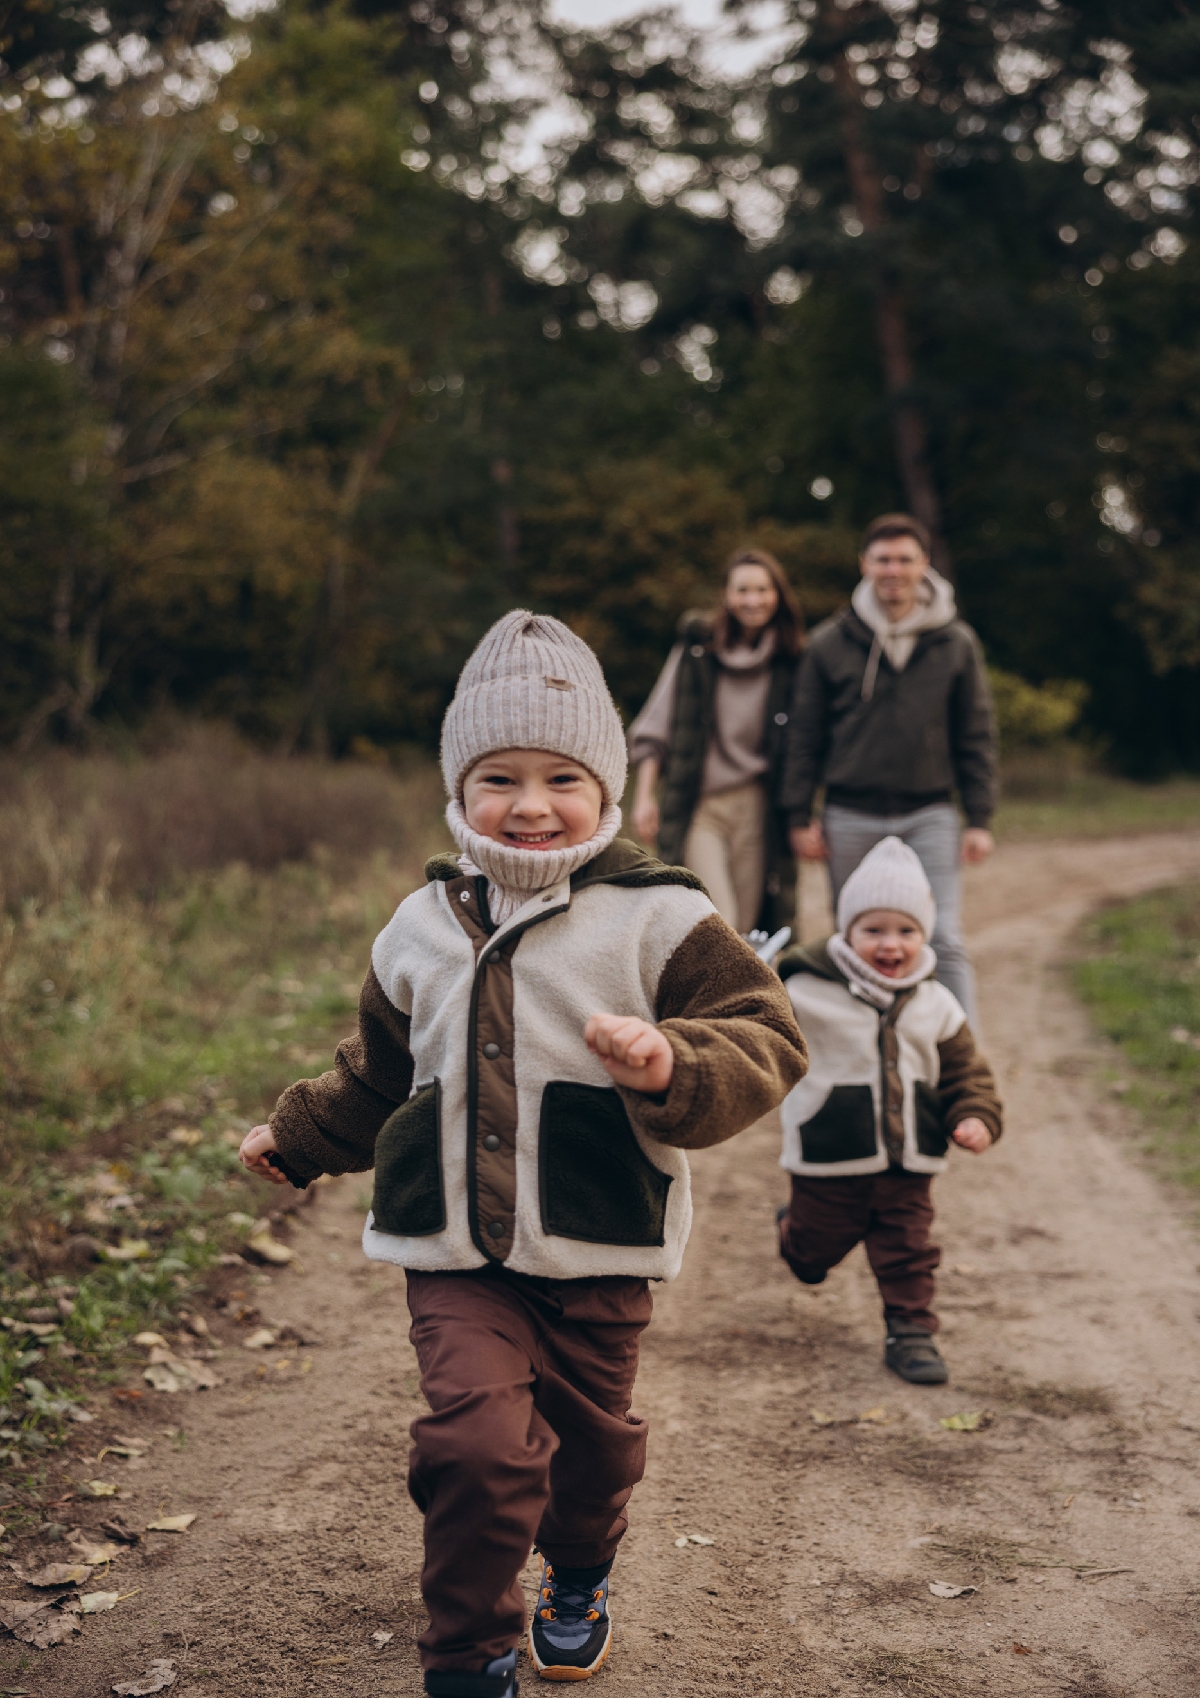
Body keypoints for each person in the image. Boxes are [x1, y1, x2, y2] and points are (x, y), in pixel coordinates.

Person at [238, 611, 808, 1698]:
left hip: (598, 1242)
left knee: (588, 1462)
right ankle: (471, 1656)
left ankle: (580, 1571)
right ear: (459, 791)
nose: (532, 804)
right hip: (452, 1246)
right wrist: (301, 1134)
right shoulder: (418, 925)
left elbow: (767, 1036)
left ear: (609, 789)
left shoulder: (660, 920)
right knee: (473, 1451)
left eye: (562, 778)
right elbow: (379, 1070)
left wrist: (671, 1061)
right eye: (500, 777)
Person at [774, 836, 1002, 1385]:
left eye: (906, 930)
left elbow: (967, 1073)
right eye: (873, 929)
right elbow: (754, 1024)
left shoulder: (936, 1002)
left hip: (910, 1163)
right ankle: (794, 1238)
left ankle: (912, 1331)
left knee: (908, 1250)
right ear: (847, 931)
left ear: (925, 935)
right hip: (828, 1157)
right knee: (813, 1256)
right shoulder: (804, 988)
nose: (890, 944)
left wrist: (975, 1116)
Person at [780, 512, 996, 1023]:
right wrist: (797, 814)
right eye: (883, 559)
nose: (893, 569)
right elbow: (803, 735)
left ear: (924, 564)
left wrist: (981, 817)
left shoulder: (955, 642)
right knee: (858, 935)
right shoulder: (830, 642)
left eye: (904, 559)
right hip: (849, 812)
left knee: (941, 934)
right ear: (865, 564)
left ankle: (960, 1064)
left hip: (931, 812)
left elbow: (976, 732)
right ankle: (869, 1051)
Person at [628, 547, 803, 936]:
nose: (753, 600)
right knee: (717, 917)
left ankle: (751, 998)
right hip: (703, 804)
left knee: (752, 923)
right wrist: (645, 797)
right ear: (726, 595)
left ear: (778, 595)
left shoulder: (791, 660)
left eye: (762, 589)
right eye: (743, 590)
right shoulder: (696, 650)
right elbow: (657, 723)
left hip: (757, 806)